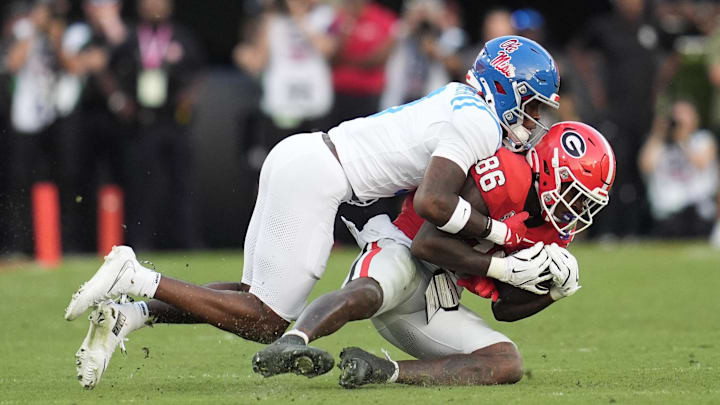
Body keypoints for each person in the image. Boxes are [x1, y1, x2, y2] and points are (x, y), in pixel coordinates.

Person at [63, 35, 561, 389]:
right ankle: (136, 277)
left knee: (249, 298)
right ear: (506, 87)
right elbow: (434, 203)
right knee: (265, 320)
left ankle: (131, 313)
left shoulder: (462, 101)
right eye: (533, 106)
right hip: (322, 176)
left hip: (307, 158)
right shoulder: (476, 121)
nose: (535, 121)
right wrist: (500, 238)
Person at [251, 121, 616, 386]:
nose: (577, 207)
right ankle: (293, 342)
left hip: (438, 294)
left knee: (507, 362)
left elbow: (504, 308)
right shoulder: (507, 175)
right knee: (371, 291)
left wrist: (552, 292)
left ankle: (381, 372)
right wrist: (503, 267)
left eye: (587, 201)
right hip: (402, 248)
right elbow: (428, 242)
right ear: (550, 170)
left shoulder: (554, 228)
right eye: (576, 192)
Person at [638, 100, 718, 238]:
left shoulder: (703, 140)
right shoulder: (660, 143)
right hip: (668, 215)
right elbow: (645, 165)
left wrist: (683, 139)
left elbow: (701, 163)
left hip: (698, 213)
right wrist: (659, 133)